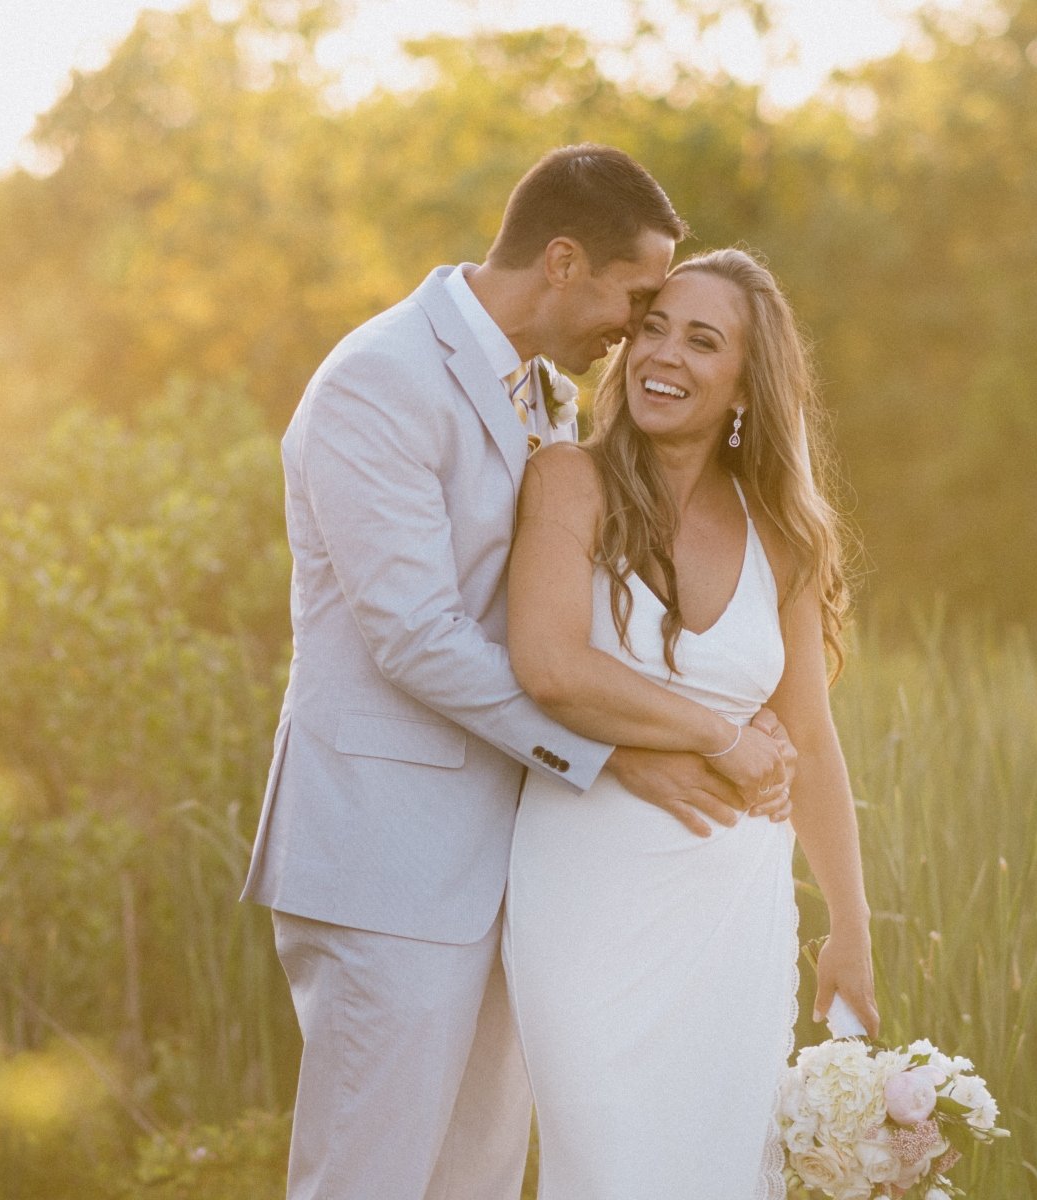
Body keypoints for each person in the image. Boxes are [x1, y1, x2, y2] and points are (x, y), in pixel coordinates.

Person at [241, 146, 794, 1200]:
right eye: (636, 298)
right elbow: (414, 634)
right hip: (386, 860)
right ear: (563, 261)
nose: (635, 330)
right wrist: (616, 747)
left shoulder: (539, 391)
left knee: (476, 1182)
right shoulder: (378, 381)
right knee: (368, 1181)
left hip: (505, 870)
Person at [501, 248, 880, 1198]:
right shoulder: (568, 480)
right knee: (605, 1162)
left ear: (748, 382)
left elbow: (814, 735)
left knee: (721, 1170)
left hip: (736, 906)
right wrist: (715, 733)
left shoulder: (783, 530)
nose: (662, 355)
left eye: (702, 341)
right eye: (654, 327)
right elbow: (550, 666)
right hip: (586, 896)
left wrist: (850, 924)